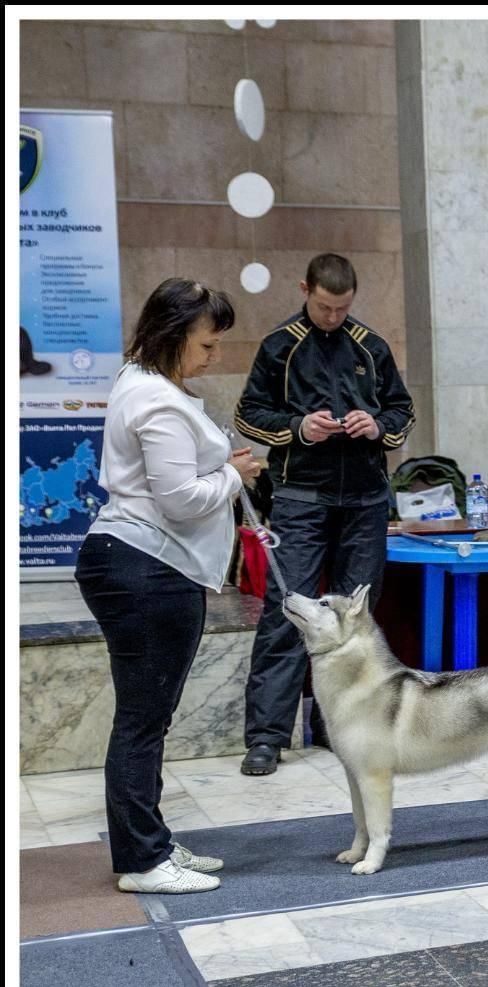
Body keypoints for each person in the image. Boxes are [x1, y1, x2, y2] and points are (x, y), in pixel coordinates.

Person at [75, 279, 264, 893]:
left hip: (142, 564)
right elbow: (181, 502)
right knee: (142, 720)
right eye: (207, 344)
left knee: (147, 718)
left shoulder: (145, 381)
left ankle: (149, 843)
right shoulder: (156, 400)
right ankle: (141, 862)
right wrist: (233, 475)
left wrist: (217, 467)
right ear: (173, 334)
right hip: (146, 568)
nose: (215, 356)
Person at [235, 254, 415, 776]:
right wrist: (298, 428)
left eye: (342, 308)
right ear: (304, 290)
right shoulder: (279, 346)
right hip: (300, 499)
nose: (333, 316)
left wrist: (377, 425)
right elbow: (250, 413)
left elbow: (402, 410)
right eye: (323, 306)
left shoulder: (371, 346)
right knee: (285, 612)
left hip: (364, 500)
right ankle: (267, 737)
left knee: (356, 619)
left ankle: (340, 728)